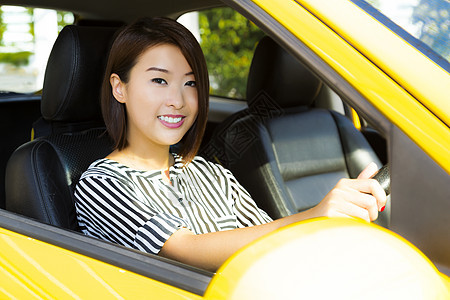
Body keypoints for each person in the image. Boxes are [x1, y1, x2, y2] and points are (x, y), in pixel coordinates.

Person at [74, 17, 386, 272]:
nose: (178, 101)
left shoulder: (213, 174)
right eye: (159, 81)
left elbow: (272, 243)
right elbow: (184, 250)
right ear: (119, 88)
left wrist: (337, 224)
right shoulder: (102, 184)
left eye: (191, 83)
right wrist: (315, 215)